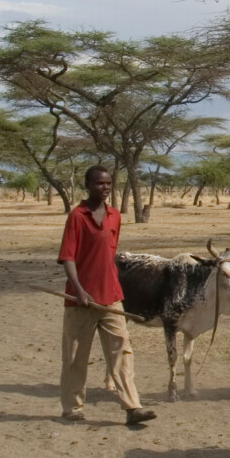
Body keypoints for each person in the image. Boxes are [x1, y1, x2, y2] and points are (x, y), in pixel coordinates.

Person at [57, 165, 157, 426]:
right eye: (100, 184)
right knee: (76, 356)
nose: (105, 188)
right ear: (88, 186)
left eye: (109, 184)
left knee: (122, 351)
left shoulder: (114, 216)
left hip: (111, 296)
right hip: (81, 300)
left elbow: (109, 254)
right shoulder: (77, 216)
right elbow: (68, 257)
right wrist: (79, 290)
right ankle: (73, 408)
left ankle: (132, 407)